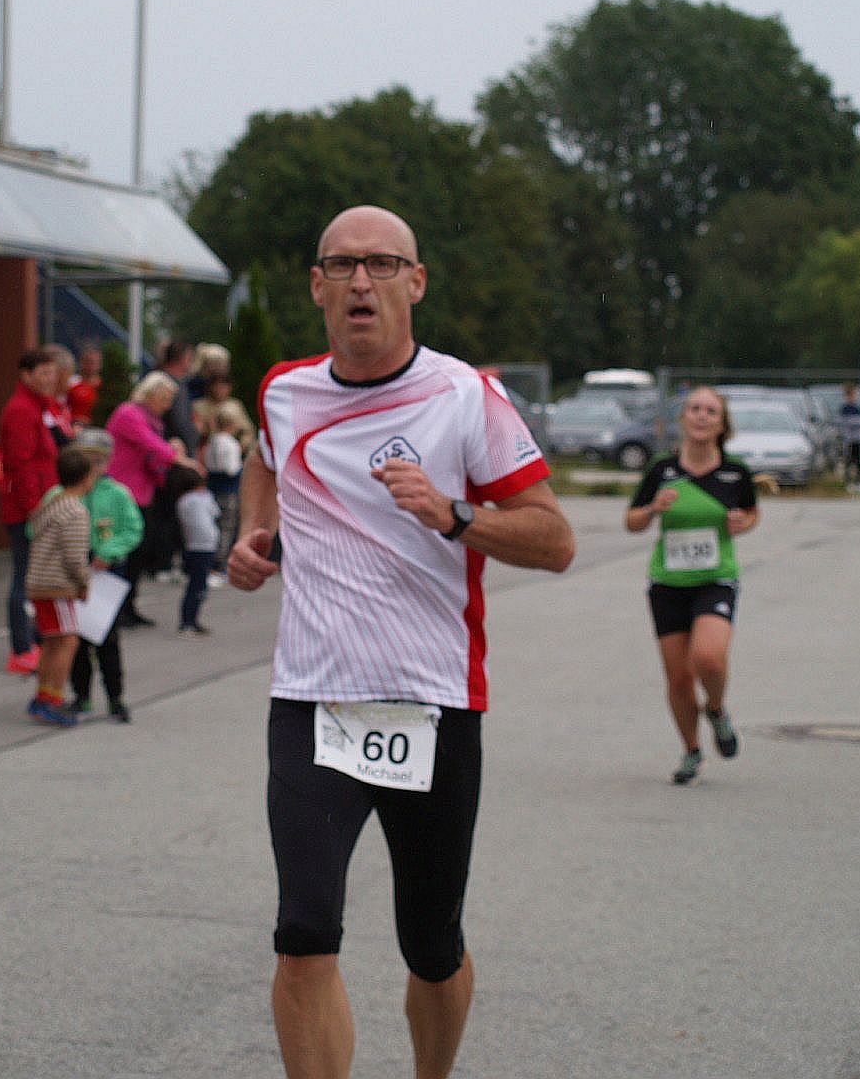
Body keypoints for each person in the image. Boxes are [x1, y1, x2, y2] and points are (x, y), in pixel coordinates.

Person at [228, 204, 574, 1079]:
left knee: (431, 942)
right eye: (342, 265)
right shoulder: (283, 391)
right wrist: (257, 534)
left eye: (382, 264)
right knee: (304, 930)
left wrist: (454, 514)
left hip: (433, 701)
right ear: (316, 286)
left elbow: (555, 540)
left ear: (415, 283)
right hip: (314, 700)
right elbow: (264, 457)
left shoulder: (465, 396)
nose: (361, 282)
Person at [625, 386, 761, 785]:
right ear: (683, 419)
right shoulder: (662, 470)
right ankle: (691, 750)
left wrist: (743, 523)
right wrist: (653, 509)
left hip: (716, 578)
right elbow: (632, 521)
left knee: (708, 658)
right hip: (668, 582)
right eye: (695, 409)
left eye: (711, 411)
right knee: (679, 678)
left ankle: (716, 709)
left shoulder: (735, 472)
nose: (702, 416)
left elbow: (751, 512)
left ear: (722, 424)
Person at [107, 371, 203, 625]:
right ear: (150, 394)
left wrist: (172, 449)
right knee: (126, 554)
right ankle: (116, 611)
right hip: (124, 492)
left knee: (138, 555)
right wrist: (179, 458)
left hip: (142, 491)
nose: (167, 405)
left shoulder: (152, 420)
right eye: (165, 398)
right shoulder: (129, 414)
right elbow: (150, 444)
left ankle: (128, 606)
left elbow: (156, 452)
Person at [66, 428, 143, 722]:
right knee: (76, 640)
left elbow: (133, 529)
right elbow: (39, 525)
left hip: (107, 573)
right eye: (85, 460)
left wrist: (109, 551)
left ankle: (115, 698)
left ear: (107, 462)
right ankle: (81, 697)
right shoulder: (65, 493)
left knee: (107, 639)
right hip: (73, 571)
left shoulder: (118, 494)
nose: (92, 467)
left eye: (98, 460)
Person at [0, 348, 63, 674]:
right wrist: (33, 509)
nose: (50, 379)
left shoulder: (40, 407)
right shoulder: (22, 410)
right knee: (24, 577)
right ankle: (21, 648)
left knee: (34, 577)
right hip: (29, 508)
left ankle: (33, 641)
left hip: (41, 504)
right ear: (26, 375)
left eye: (53, 373)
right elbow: (20, 464)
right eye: (43, 373)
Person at [24, 446, 95, 727]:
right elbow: (75, 556)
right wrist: (84, 583)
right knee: (68, 640)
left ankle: (42, 695)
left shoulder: (52, 504)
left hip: (40, 582)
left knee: (52, 640)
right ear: (86, 478)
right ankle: (53, 699)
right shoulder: (75, 510)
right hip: (58, 585)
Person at [203, 403, 249, 573]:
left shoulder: (212, 441)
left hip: (212, 488)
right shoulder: (231, 443)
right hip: (228, 491)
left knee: (213, 525)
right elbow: (231, 469)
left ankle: (211, 560)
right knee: (226, 527)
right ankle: (219, 563)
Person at [174, 467, 219, 635]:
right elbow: (215, 511)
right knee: (198, 586)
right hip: (204, 547)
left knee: (194, 584)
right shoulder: (202, 498)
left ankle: (189, 620)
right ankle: (189, 621)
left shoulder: (183, 501)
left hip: (192, 546)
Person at [838, 383, 860, 493]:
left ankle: (859, 482)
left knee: (859, 461)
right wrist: (853, 423)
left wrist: (853, 423)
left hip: (858, 439)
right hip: (848, 440)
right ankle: (848, 482)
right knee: (848, 461)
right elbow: (844, 423)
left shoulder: (859, 408)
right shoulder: (844, 409)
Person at [68, 342, 103, 430]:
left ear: (100, 364)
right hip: (75, 427)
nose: (91, 366)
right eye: (88, 362)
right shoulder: (72, 383)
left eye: (94, 362)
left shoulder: (105, 386)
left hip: (99, 428)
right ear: (81, 363)